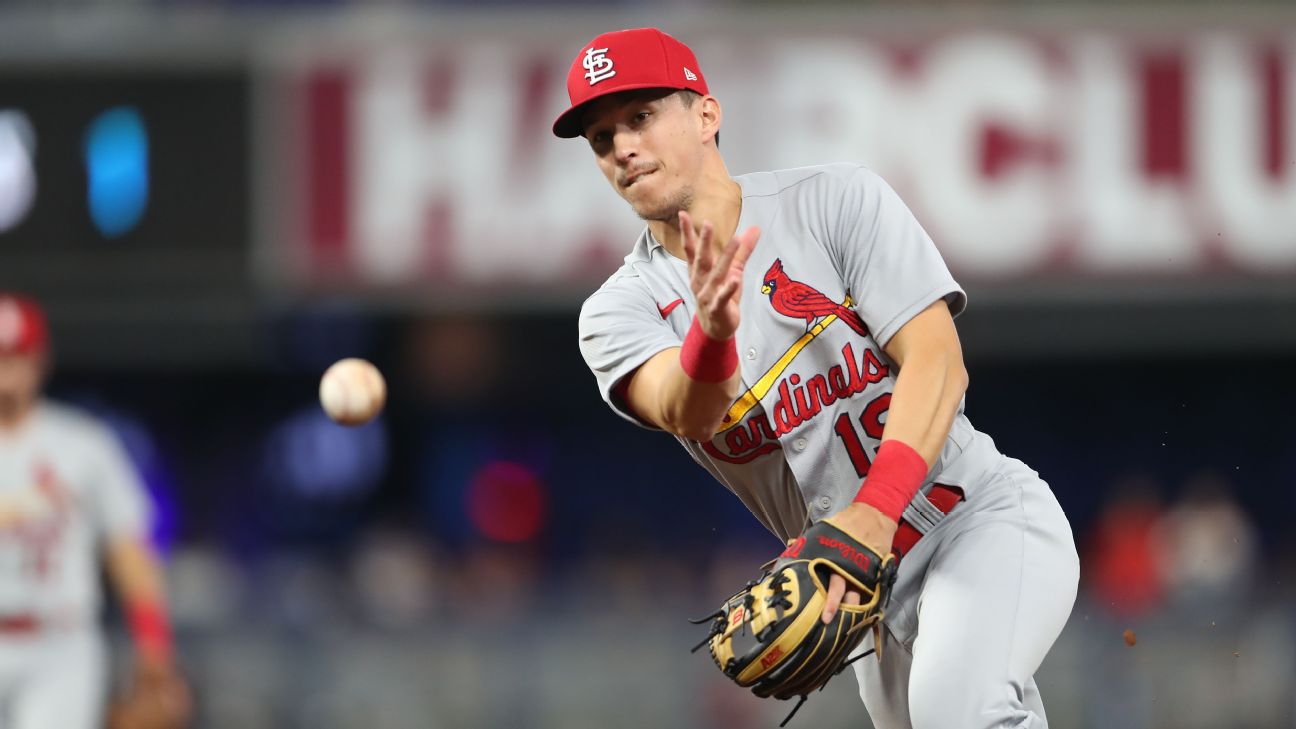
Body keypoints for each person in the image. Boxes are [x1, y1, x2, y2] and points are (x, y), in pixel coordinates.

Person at [562, 28, 1080, 728]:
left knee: (959, 711)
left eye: (641, 116)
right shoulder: (616, 311)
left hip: (976, 517)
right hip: (859, 593)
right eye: (600, 137)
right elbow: (685, 409)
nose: (622, 146)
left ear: (707, 115)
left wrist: (874, 509)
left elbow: (938, 360)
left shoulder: (833, 201)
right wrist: (713, 334)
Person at [0, 293, 190, 729]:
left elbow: (127, 550)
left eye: (17, 355)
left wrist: (154, 645)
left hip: (57, 644)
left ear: (40, 359)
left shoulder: (83, 445)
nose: (7, 370)